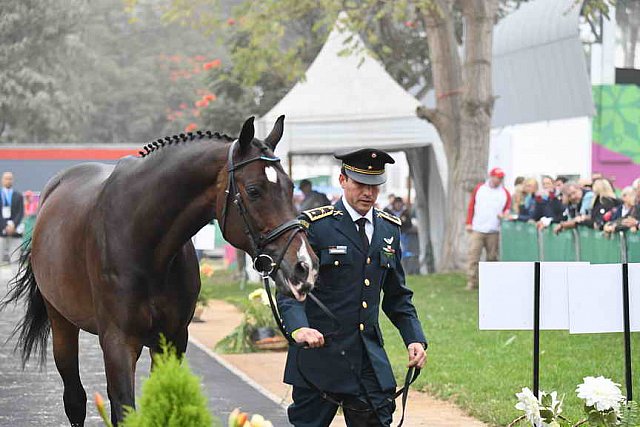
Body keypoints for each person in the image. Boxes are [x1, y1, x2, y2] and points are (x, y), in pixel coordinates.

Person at [278, 148, 427, 427]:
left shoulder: (388, 229)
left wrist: (414, 338)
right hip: (318, 357)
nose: (368, 193)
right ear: (342, 180)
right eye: (360, 184)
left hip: (366, 358)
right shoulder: (315, 226)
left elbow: (397, 296)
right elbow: (292, 290)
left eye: (374, 186)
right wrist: (298, 328)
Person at [465, 167, 511, 290]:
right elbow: (472, 205)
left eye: (500, 178)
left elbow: (507, 208)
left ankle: (491, 282)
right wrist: (469, 222)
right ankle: (472, 281)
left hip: (494, 229)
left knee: (492, 257)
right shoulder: (480, 189)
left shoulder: (504, 193)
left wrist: (505, 214)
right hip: (478, 228)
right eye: (496, 177)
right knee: (473, 255)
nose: (498, 180)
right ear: (491, 176)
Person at [0, 172, 24, 263]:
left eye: (10, 179)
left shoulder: (18, 196)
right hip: (1, 232)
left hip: (15, 232)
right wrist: (5, 226)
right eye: (6, 178)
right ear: (2, 180)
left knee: (15, 260)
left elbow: (20, 212)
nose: (8, 181)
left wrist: (13, 225)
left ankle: (16, 277)